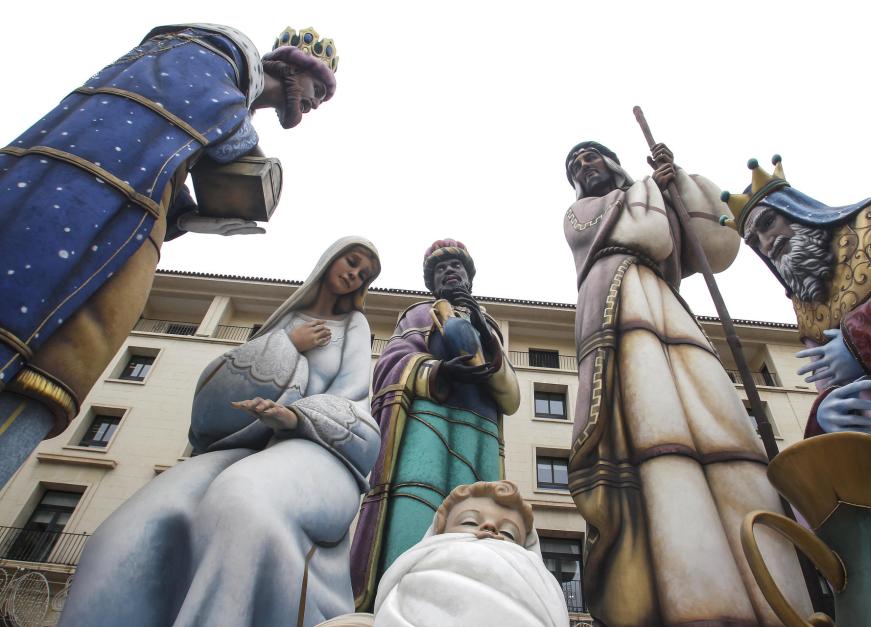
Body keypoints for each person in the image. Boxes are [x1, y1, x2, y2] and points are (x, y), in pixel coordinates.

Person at [0, 24, 338, 486]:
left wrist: (197, 219)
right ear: (293, 69)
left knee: (63, 365)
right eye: (318, 88)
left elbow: (168, 163)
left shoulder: (228, 108)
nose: (315, 103)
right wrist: (248, 151)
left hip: (130, 221)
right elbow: (187, 102)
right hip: (82, 203)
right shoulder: (218, 54)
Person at [59, 236, 381, 627]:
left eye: (363, 275)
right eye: (351, 262)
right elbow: (220, 396)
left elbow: (353, 395)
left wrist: (294, 418)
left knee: (242, 501)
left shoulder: (355, 325)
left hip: (316, 447)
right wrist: (287, 343)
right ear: (330, 260)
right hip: (248, 446)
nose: (354, 275)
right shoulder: (281, 323)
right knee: (130, 531)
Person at [563, 141, 811, 626]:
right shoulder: (582, 213)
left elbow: (715, 246)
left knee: (718, 428)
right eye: (574, 164)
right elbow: (653, 235)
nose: (584, 166)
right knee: (652, 431)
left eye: (592, 156)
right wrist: (652, 189)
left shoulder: (644, 192)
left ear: (612, 161)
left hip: (667, 305)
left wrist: (676, 180)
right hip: (616, 309)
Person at [724, 155, 871, 575]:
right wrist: (825, 414)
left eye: (767, 225)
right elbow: (829, 383)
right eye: (755, 242)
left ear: (797, 210)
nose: (767, 244)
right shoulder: (808, 306)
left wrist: (861, 338)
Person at [349, 239, 520, 610]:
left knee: (478, 517)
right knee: (418, 499)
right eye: (441, 269)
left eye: (457, 267)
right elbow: (393, 360)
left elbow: (509, 392)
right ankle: (399, 600)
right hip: (428, 419)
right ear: (430, 280)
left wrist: (480, 333)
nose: (449, 273)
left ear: (469, 277)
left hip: (481, 428)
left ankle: (468, 606)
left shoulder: (486, 321)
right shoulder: (419, 313)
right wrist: (437, 370)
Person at [321, 481, 568, 627]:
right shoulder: (416, 573)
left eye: (509, 533)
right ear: (438, 532)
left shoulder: (538, 584)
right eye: (470, 522)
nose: (490, 528)